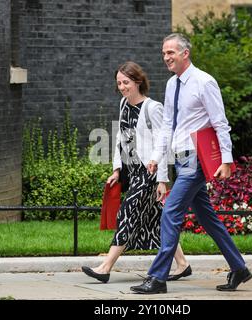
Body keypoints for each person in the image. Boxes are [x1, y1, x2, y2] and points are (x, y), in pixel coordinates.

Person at [130, 34, 252, 294]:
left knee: (170, 212)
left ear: (186, 53)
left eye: (171, 52)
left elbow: (220, 122)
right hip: (180, 158)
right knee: (208, 219)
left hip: (196, 159)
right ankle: (239, 268)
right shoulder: (172, 84)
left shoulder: (204, 82)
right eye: (164, 53)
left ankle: (157, 277)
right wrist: (156, 156)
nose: (166, 57)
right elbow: (167, 126)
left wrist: (227, 159)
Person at [81, 61, 191, 284]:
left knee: (127, 212)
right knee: (157, 219)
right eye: (119, 83)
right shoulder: (123, 104)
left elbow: (163, 143)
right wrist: (117, 169)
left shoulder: (152, 108)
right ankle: (182, 264)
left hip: (148, 172)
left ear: (138, 82)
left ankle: (105, 267)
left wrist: (162, 180)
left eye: (126, 82)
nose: (122, 87)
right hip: (132, 171)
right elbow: (121, 138)